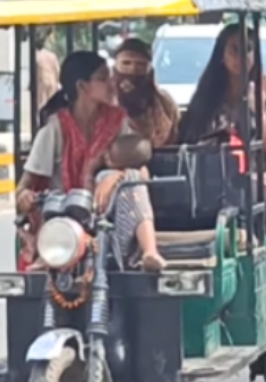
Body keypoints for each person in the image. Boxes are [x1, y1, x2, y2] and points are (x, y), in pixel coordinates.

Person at [17, 51, 164, 270]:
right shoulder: (55, 130)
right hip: (63, 233)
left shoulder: (118, 122)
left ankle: (150, 251)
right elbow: (22, 190)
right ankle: (47, 260)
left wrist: (116, 176)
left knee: (131, 177)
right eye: (103, 79)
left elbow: (142, 173)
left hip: (110, 228)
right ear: (83, 87)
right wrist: (25, 197)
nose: (112, 84)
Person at [175, 24, 266, 223]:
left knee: (240, 196)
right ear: (221, 56)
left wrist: (258, 109)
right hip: (212, 180)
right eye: (235, 49)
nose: (242, 56)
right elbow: (189, 140)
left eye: (248, 49)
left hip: (262, 179)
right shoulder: (207, 100)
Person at [111, 38, 180, 147]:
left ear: (149, 68)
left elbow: (175, 137)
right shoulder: (104, 101)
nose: (132, 69)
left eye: (140, 64)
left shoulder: (164, 102)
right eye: (126, 63)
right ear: (115, 65)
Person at [34, 27, 61, 110]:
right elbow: (58, 72)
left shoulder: (36, 56)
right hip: (52, 82)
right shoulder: (52, 56)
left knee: (41, 104)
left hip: (41, 83)